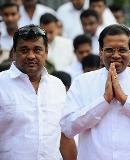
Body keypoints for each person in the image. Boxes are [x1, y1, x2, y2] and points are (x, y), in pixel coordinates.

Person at [60, 24, 130, 160]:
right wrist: (103, 101)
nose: (116, 55)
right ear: (100, 52)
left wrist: (126, 101)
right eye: (109, 50)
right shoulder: (82, 82)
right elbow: (68, 128)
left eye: (122, 50)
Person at [0, 24, 76, 160]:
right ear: (13, 53)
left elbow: (65, 135)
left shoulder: (57, 86)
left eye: (37, 50)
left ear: (46, 52)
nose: (31, 56)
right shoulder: (1, 83)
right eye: (24, 50)